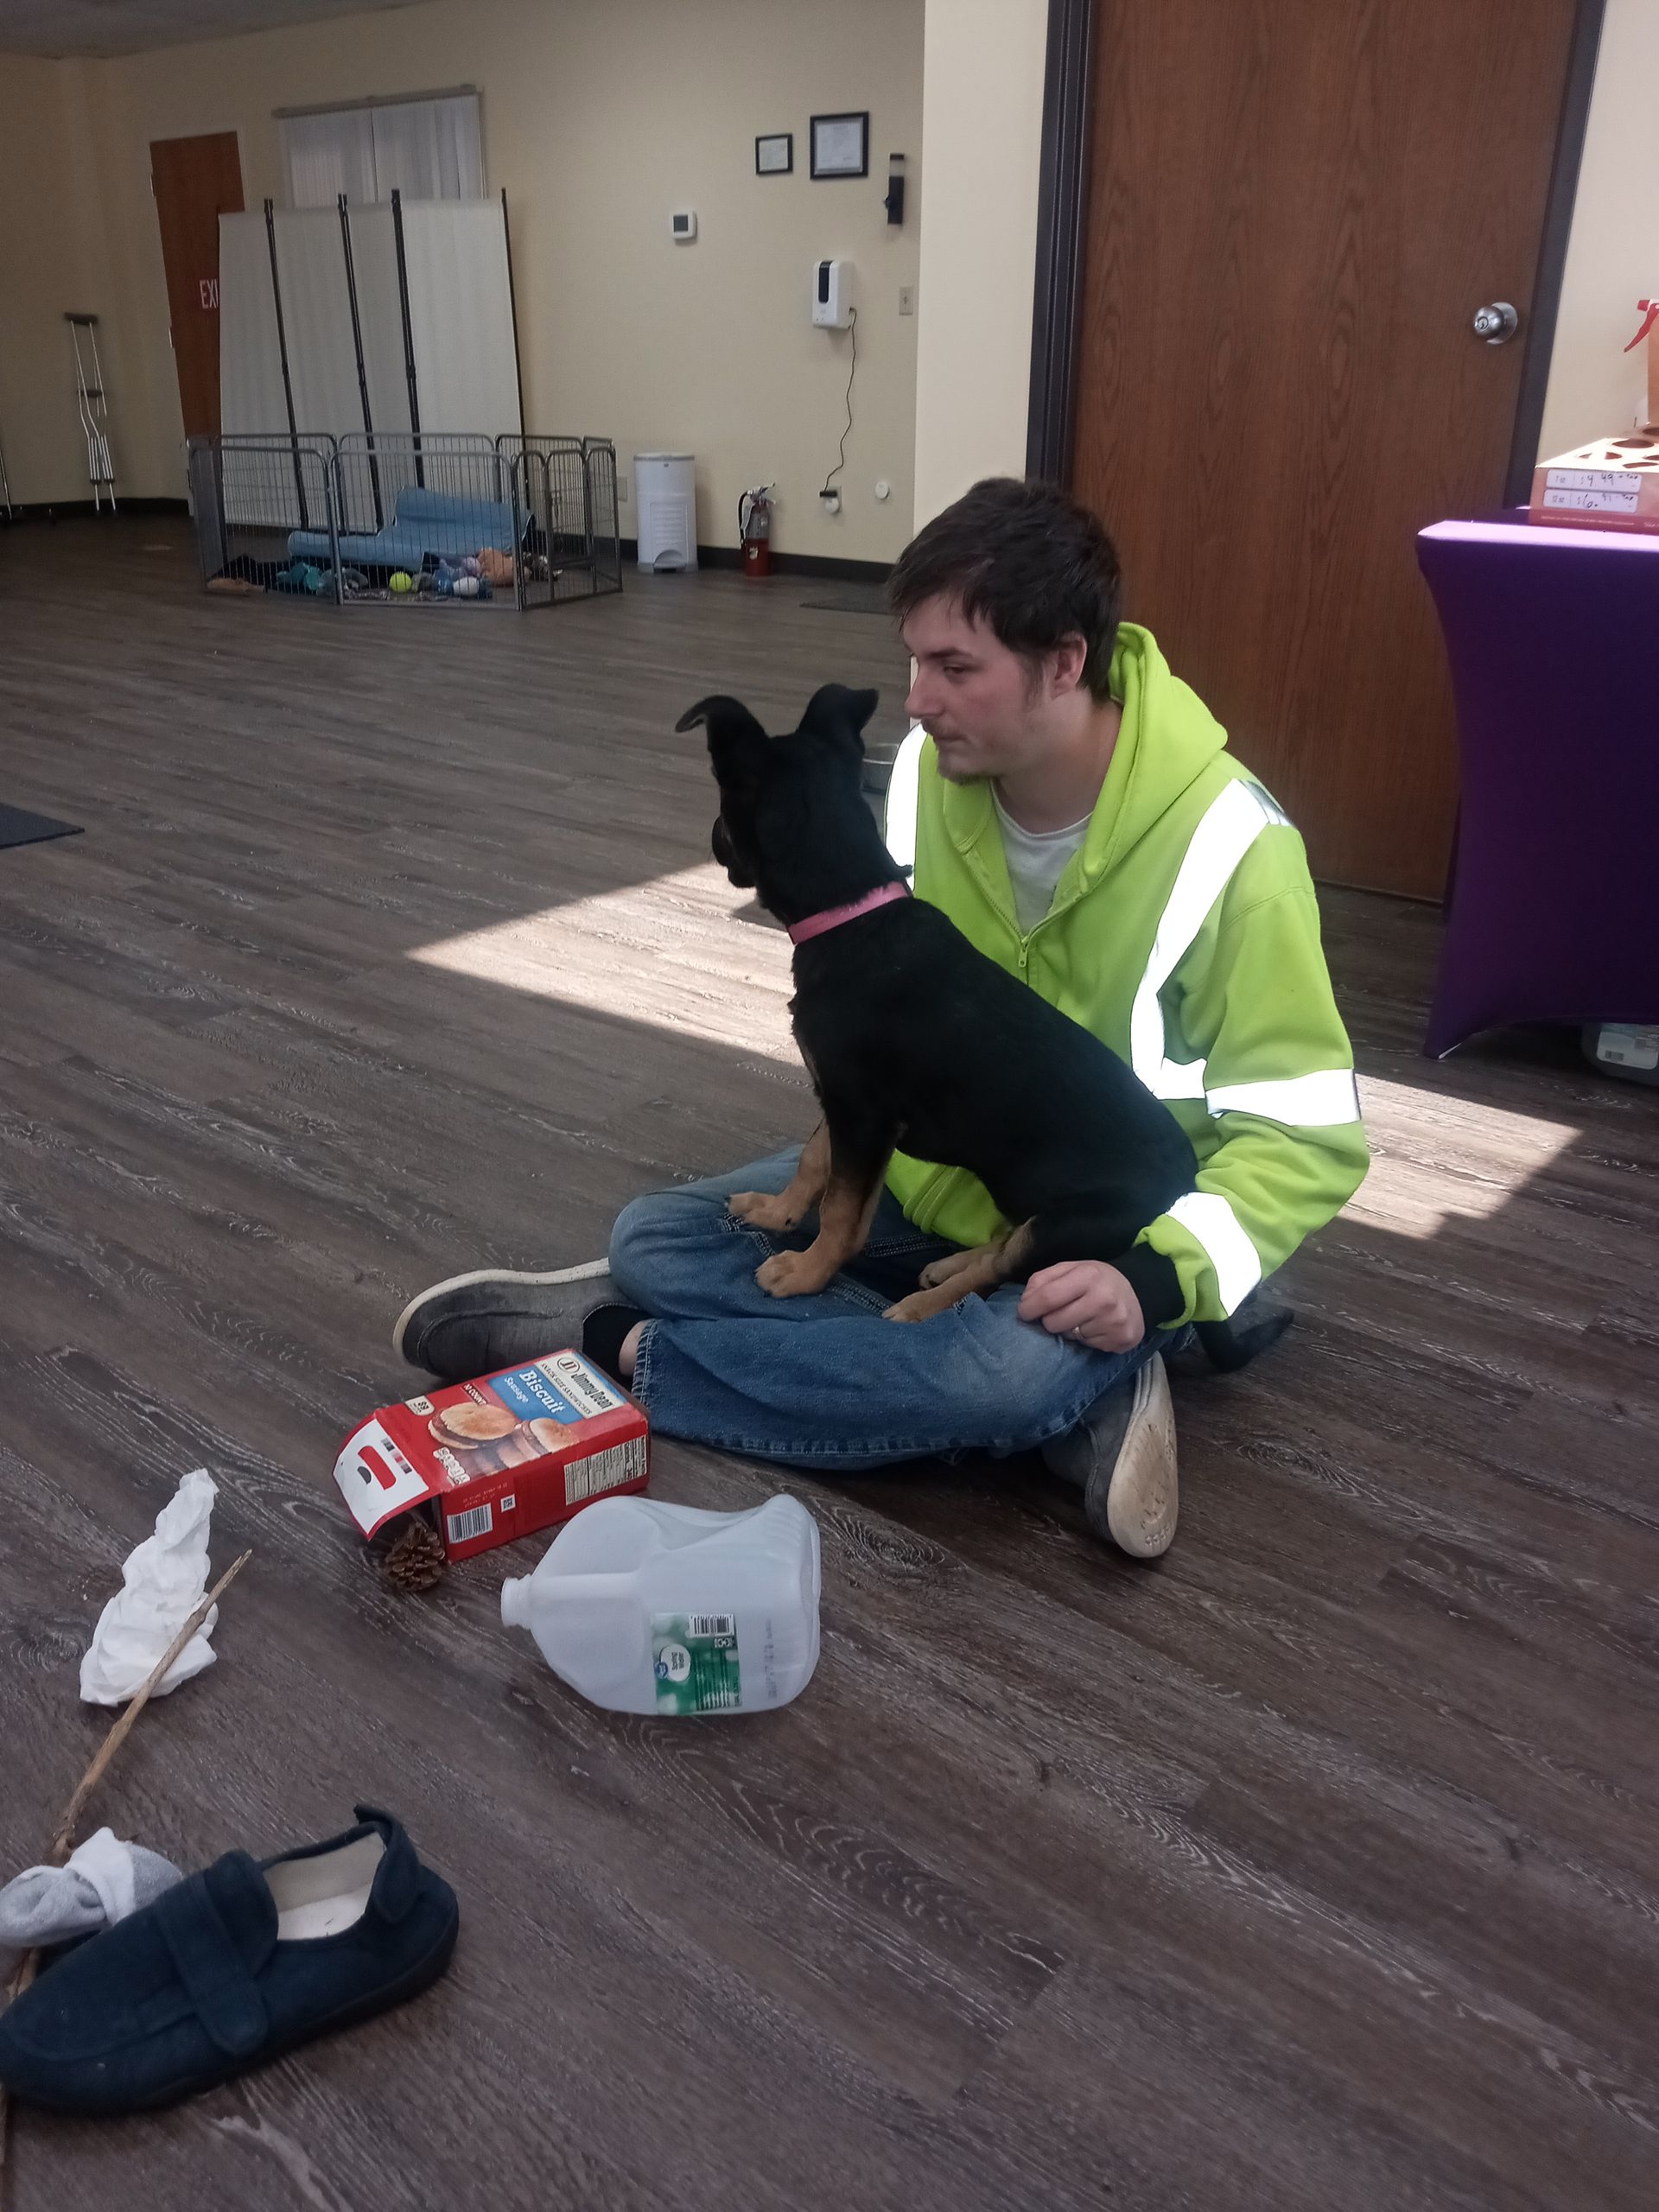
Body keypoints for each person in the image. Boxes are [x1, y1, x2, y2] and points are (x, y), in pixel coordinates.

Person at [395, 478, 1368, 1556]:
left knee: (998, 1376)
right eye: (913, 662)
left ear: (1063, 662)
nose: (917, 701)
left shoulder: (1234, 850)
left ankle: (613, 1346)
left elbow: (1308, 1141)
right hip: (923, 1177)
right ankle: (1071, 1397)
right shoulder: (925, 776)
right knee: (653, 1236)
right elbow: (885, 1014)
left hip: (1104, 1232)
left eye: (955, 668)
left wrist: (1154, 1279)